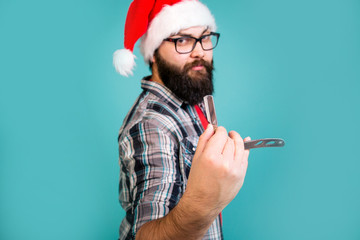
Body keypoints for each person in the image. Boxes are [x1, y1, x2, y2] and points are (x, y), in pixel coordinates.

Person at [113, 0, 251, 239]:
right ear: (154, 52)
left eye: (205, 37)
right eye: (182, 40)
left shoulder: (187, 97)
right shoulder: (152, 124)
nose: (200, 51)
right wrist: (207, 199)